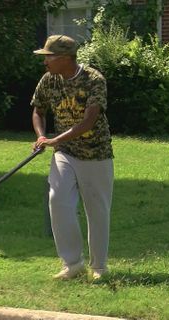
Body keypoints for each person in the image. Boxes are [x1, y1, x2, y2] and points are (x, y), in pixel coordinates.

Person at [31, 35, 114, 280]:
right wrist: (42, 136)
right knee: (58, 200)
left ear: (66, 58)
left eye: (49, 57)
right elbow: (38, 110)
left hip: (96, 152)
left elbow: (89, 121)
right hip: (65, 153)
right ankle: (73, 264)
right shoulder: (48, 80)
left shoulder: (93, 79)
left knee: (97, 210)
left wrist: (56, 139)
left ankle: (99, 267)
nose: (45, 61)